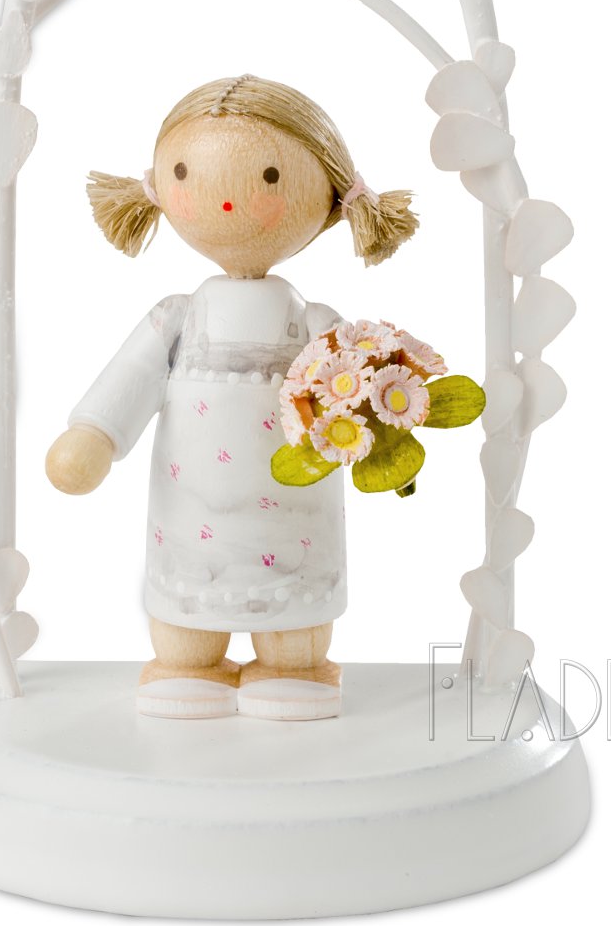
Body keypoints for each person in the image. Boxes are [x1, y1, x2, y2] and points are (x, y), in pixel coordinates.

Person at [45, 75, 417, 719]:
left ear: (329, 196)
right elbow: (130, 376)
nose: (225, 201)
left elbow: (363, 391)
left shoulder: (315, 324)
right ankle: (189, 660)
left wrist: (388, 426)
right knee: (187, 607)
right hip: (191, 509)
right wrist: (94, 435)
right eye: (185, 172)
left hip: (296, 507)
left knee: (294, 608)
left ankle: (294, 665)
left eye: (270, 177)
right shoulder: (178, 317)